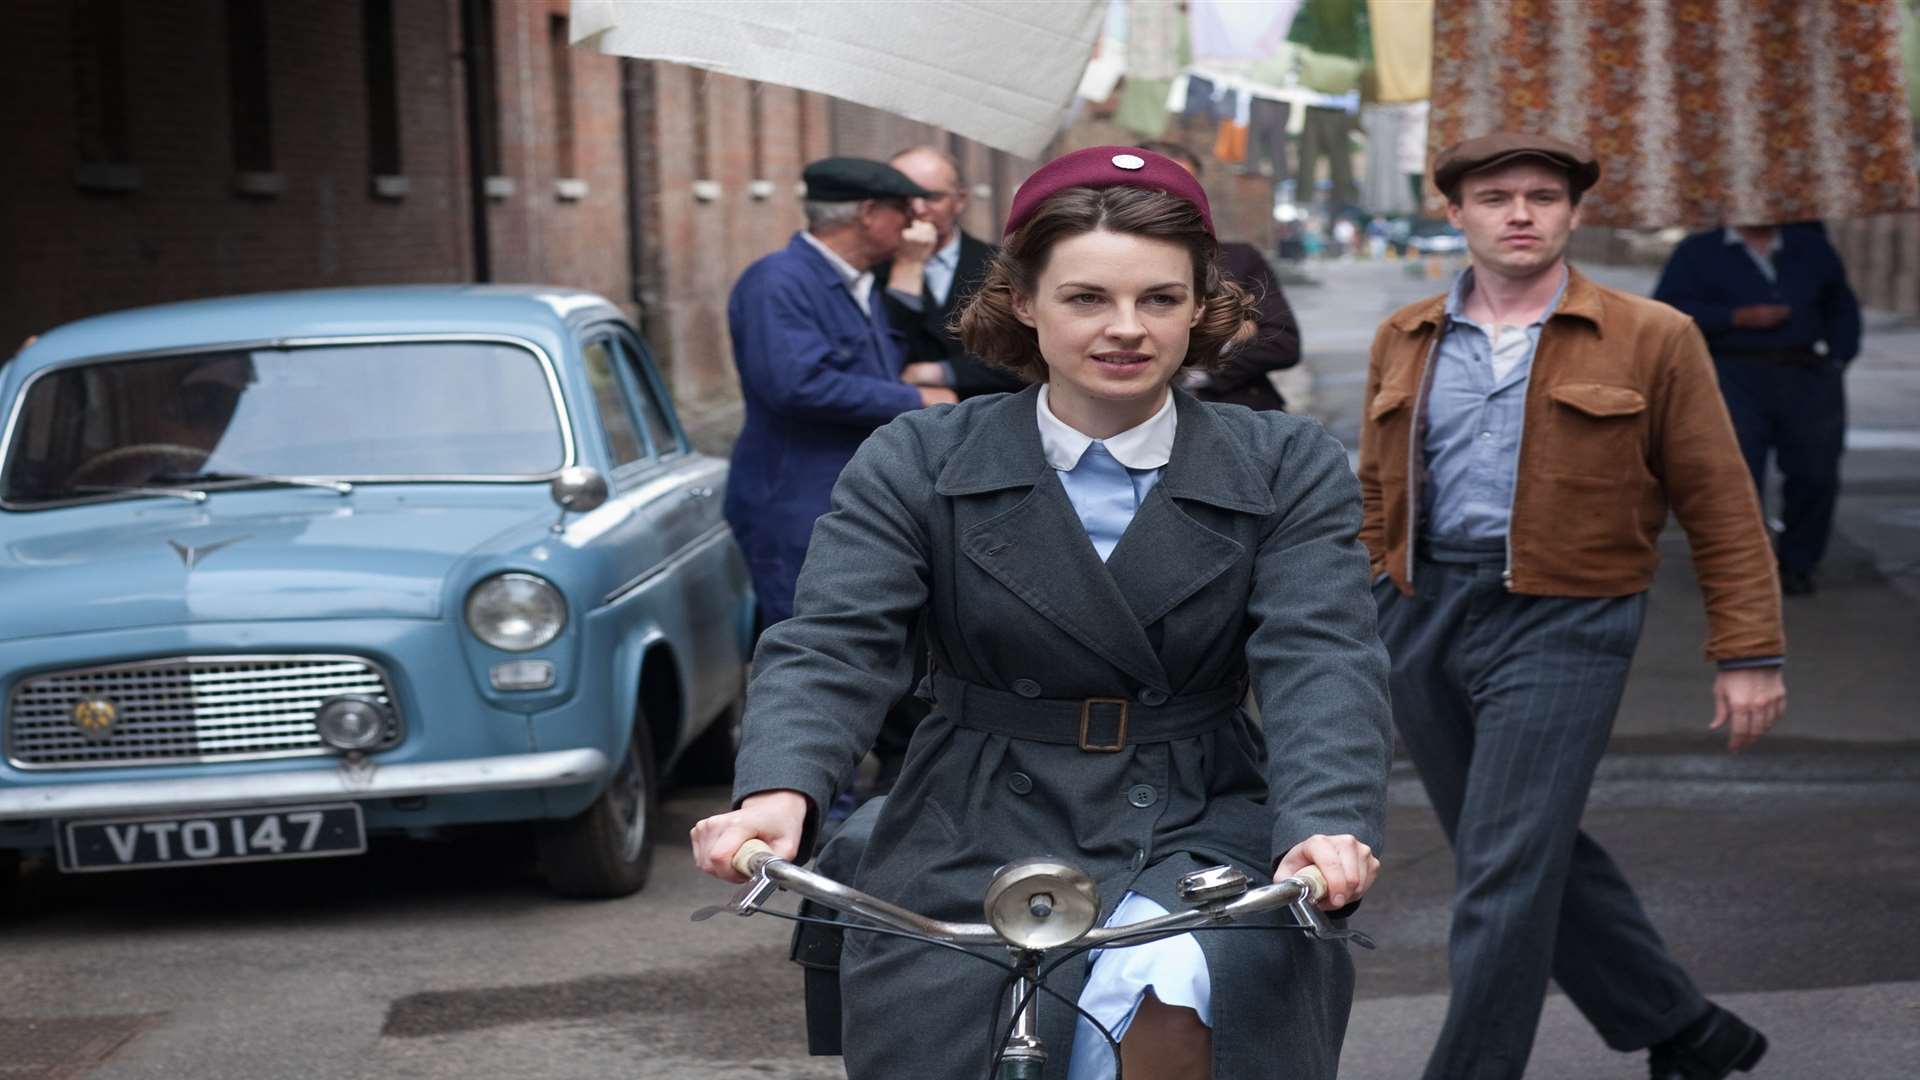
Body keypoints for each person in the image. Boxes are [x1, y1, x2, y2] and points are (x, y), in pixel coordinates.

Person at [694, 146, 1392, 1079]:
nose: (1126, 329)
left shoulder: (1282, 462)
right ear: (1024, 299)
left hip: (1195, 802)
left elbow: (1323, 655)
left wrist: (1326, 818)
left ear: (1201, 306)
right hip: (970, 810)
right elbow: (836, 642)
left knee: (1180, 985)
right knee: (941, 1026)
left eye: (1160, 299)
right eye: (1086, 297)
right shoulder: (920, 454)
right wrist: (779, 789)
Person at [1357, 132, 1786, 1080]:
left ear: (1575, 213)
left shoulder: (1652, 334)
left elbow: (1718, 498)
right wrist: (1360, 617)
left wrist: (1748, 647)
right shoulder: (1408, 334)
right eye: (1496, 196)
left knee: (1503, 870)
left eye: (1543, 197)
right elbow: (1376, 496)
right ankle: (1686, 1030)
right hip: (1423, 608)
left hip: (1567, 617)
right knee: (1516, 842)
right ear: (1456, 212)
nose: (1520, 213)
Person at [723, 156, 959, 629]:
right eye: (904, 211)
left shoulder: (858, 282)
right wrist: (917, 401)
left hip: (841, 493)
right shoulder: (778, 281)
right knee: (810, 637)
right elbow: (795, 385)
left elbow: (882, 364)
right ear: (869, 213)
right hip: (795, 499)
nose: (914, 223)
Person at [1654, 222, 1862, 596]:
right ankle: (1738, 568)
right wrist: (1735, 317)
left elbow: (1841, 306)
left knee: (1815, 472)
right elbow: (1669, 309)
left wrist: (1837, 359)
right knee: (1734, 474)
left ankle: (1799, 564)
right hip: (1732, 372)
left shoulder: (1810, 246)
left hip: (1805, 375)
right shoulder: (1698, 249)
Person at [1138, 141, 1303, 411]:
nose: (1170, 199)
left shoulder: (1237, 258)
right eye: (1157, 189)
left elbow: (1283, 343)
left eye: (1183, 188)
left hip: (1231, 407)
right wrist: (1232, 333)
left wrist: (1203, 367)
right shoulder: (1099, 261)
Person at [876, 146, 1027, 400]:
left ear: (960, 200)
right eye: (903, 198)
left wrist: (945, 372)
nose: (918, 208)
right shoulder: (867, 268)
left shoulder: (1001, 265)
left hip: (988, 415)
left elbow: (1029, 355)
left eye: (931, 197)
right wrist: (907, 266)